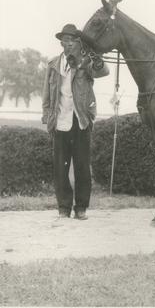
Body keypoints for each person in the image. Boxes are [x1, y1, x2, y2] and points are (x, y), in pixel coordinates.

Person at [42, 23, 109, 220]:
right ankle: (63, 208)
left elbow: (103, 71)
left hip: (81, 121)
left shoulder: (86, 62)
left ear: (78, 43)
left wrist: (96, 57)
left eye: (72, 41)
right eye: (65, 40)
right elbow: (47, 93)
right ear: (61, 43)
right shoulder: (53, 65)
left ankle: (81, 208)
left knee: (82, 167)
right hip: (60, 121)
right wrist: (47, 116)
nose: (68, 44)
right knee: (60, 168)